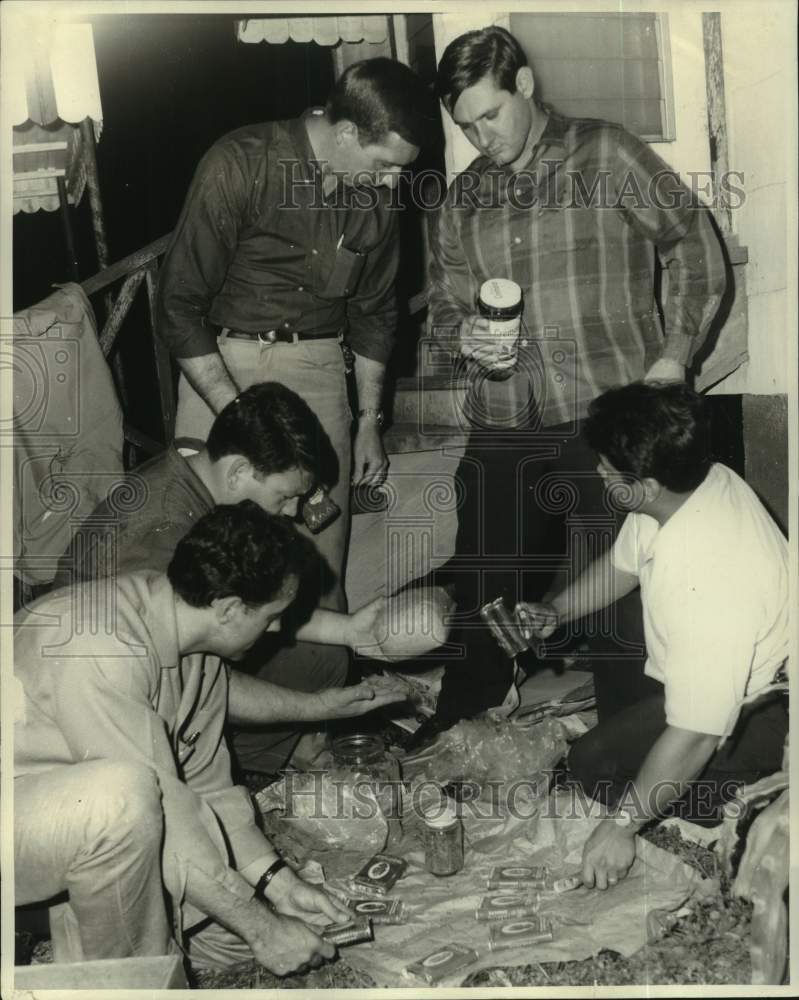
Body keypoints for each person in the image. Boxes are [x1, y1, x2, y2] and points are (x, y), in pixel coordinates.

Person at [424, 25, 728, 726]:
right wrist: (460, 334)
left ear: (523, 85)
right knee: (483, 575)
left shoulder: (605, 151)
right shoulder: (462, 199)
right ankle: (468, 721)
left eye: (490, 115)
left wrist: (672, 357)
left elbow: (691, 240)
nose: (481, 138)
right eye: (465, 126)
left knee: (618, 588)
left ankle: (628, 742)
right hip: (506, 419)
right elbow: (443, 308)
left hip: (607, 415)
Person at [15, 502, 401, 974]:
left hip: (83, 828)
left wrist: (278, 884)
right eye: (273, 615)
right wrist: (263, 928)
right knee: (123, 801)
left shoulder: (196, 647)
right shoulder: (98, 644)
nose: (278, 629)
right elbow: (159, 810)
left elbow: (209, 792)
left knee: (250, 936)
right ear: (231, 609)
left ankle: (99, 937)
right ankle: (118, 980)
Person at [156, 57, 432, 637]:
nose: (392, 185)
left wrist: (367, 423)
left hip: (320, 365)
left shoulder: (379, 196)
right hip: (224, 366)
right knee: (215, 562)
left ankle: (324, 720)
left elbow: (376, 315)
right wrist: (237, 416)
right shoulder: (240, 162)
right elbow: (179, 308)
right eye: (384, 166)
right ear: (348, 133)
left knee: (319, 562)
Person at [55, 381, 408, 780]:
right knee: (306, 675)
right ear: (239, 471)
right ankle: (234, 766)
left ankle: (251, 755)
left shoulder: (200, 469)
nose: (293, 512)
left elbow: (252, 606)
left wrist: (350, 629)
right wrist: (318, 708)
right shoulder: (162, 535)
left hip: (163, 658)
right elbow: (199, 680)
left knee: (324, 657)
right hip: (93, 695)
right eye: (284, 495)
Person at [517, 383, 789, 890]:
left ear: (643, 486)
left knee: (601, 771)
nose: (598, 470)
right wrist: (557, 610)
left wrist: (622, 826)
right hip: (732, 678)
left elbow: (697, 732)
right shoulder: (692, 484)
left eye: (605, 466)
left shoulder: (708, 577)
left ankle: (760, 802)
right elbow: (624, 564)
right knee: (598, 758)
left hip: (775, 712)